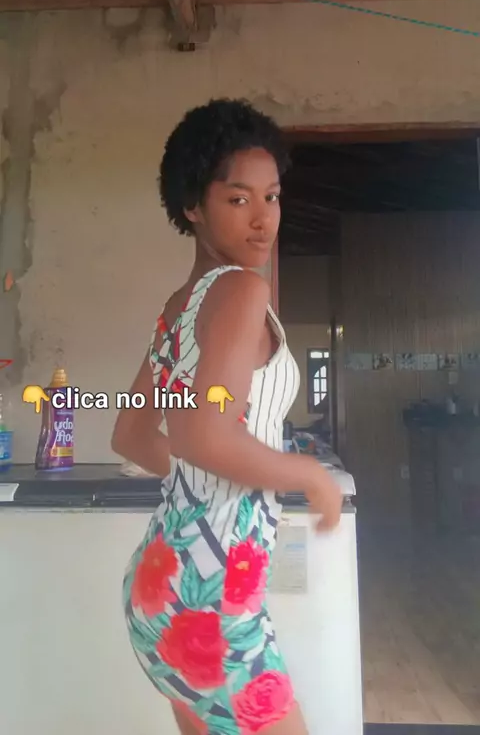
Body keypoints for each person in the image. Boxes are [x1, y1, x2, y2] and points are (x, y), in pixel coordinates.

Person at [111, 98, 342, 735]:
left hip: (159, 586)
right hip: (211, 601)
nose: (264, 219)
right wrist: (306, 474)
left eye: (272, 196)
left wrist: (210, 473)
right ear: (193, 205)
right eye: (238, 199)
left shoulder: (178, 307)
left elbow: (132, 432)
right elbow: (203, 432)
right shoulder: (241, 290)